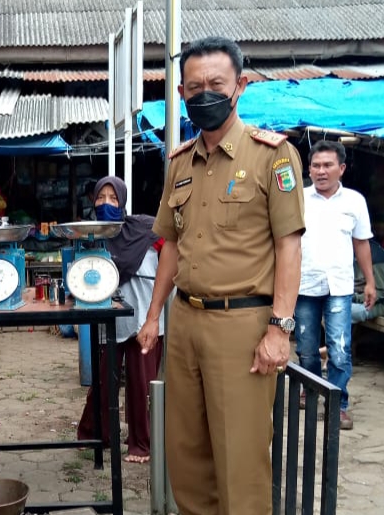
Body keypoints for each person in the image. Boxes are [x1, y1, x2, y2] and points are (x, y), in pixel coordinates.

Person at [136, 36, 305, 515]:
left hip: (243, 325)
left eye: (216, 84)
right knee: (187, 457)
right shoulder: (179, 163)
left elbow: (288, 245)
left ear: (240, 86)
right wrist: (153, 317)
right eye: (193, 87)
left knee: (240, 461)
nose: (204, 94)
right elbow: (170, 244)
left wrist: (280, 327)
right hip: (185, 323)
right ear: (182, 94)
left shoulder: (271, 156)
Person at [76, 176, 165, 463]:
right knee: (104, 378)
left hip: (143, 316)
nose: (106, 204)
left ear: (123, 201)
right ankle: (95, 433)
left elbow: (175, 254)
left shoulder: (147, 228)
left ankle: (142, 444)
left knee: (142, 383)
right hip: (109, 316)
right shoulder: (92, 234)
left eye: (113, 199)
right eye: (100, 198)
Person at [295, 140, 375, 430]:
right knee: (305, 347)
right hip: (304, 283)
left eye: (328, 165)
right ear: (309, 168)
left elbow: (361, 242)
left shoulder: (355, 201)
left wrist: (370, 281)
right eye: (316, 165)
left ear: (341, 168)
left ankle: (338, 404)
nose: (321, 171)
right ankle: (312, 390)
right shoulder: (298, 198)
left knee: (340, 349)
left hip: (340, 286)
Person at [352, 239, 384, 323]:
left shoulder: (375, 256)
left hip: (381, 305)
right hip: (362, 298)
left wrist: (355, 297)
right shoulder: (353, 252)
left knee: (339, 312)